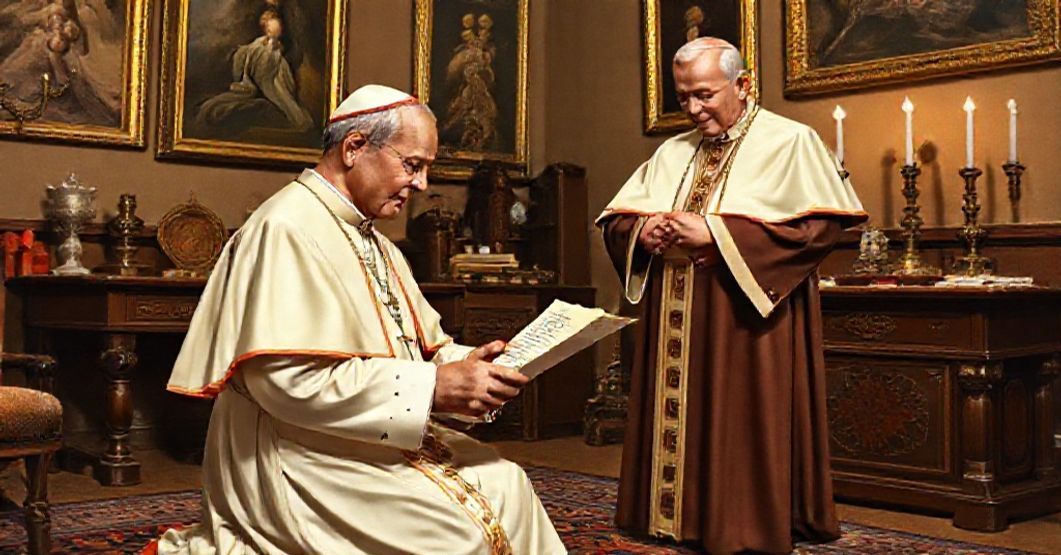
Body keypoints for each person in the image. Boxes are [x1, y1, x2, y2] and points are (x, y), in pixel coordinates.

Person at [150, 84, 565, 555]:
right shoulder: (285, 227)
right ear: (354, 147)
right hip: (293, 453)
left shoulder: (374, 239)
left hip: (361, 435)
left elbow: (421, 347)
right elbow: (285, 383)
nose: (423, 185)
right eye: (413, 165)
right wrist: (434, 387)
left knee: (509, 484)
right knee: (457, 535)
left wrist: (477, 368)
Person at [596, 38, 867, 554]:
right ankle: (669, 515)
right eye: (683, 98)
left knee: (737, 416)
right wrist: (642, 231)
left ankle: (736, 520)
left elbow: (819, 229)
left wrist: (717, 235)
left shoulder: (791, 141)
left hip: (746, 317)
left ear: (743, 85)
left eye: (704, 94)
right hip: (673, 315)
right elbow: (619, 218)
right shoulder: (673, 152)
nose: (694, 109)